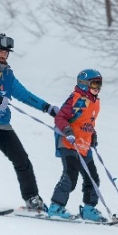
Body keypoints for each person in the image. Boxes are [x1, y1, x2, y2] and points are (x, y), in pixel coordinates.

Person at [0, 33, 59, 211]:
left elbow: (24, 94)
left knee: (21, 158)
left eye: (6, 52)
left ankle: (32, 198)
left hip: (2, 123)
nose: (3, 55)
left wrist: (47, 107)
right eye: (0, 51)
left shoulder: (7, 73)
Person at [48, 69, 107, 222]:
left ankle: (89, 208)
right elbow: (60, 117)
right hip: (69, 143)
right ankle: (56, 206)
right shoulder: (76, 99)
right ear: (84, 84)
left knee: (93, 178)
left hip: (84, 145)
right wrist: (67, 130)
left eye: (100, 84)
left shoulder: (95, 102)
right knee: (71, 174)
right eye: (94, 84)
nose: (97, 88)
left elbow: (88, 122)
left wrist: (92, 135)